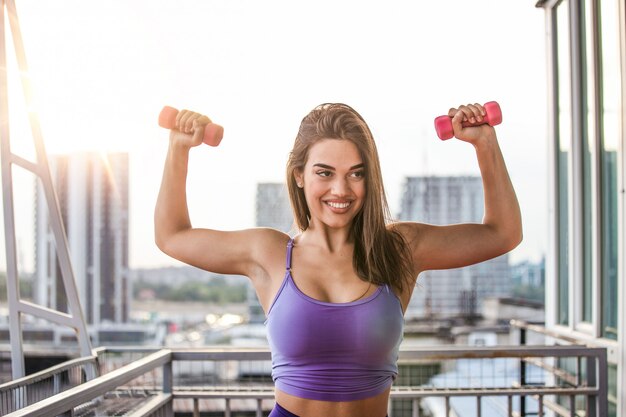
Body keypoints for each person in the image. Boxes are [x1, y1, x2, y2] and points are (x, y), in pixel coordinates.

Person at [154, 102, 522, 417]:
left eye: (356, 174)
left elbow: (502, 233)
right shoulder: (268, 253)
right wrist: (178, 149)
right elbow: (173, 236)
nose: (341, 190)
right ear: (299, 175)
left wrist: (485, 144)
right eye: (324, 173)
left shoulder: (399, 249)